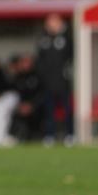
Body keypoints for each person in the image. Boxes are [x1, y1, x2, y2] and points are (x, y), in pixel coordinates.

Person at [36, 13, 73, 145]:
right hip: (48, 83)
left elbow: (72, 55)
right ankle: (49, 136)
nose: (52, 25)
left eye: (55, 22)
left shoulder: (66, 37)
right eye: (50, 22)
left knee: (67, 109)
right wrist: (42, 76)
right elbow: (39, 60)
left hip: (63, 82)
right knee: (49, 110)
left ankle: (70, 135)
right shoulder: (43, 39)